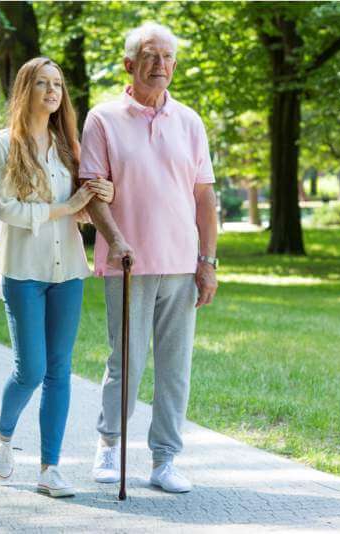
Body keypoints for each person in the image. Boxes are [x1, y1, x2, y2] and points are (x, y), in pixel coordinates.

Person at [81, 22, 219, 493]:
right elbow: (92, 191)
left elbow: (204, 198)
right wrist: (116, 240)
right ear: (129, 64)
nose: (160, 65)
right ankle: (108, 445)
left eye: (167, 57)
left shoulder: (190, 121)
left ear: (175, 65)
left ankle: (165, 459)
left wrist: (208, 261)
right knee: (127, 361)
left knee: (175, 366)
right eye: (149, 56)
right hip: (127, 263)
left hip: (181, 264)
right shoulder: (102, 119)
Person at [0, 57, 115, 498]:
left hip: (68, 272)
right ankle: (3, 435)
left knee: (60, 370)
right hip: (23, 271)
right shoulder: (3, 144)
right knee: (31, 369)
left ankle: (50, 469)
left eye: (57, 83)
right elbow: (7, 210)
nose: (51, 91)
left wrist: (103, 195)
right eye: (42, 83)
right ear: (26, 90)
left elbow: (81, 210)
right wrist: (66, 206)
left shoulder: (69, 147)